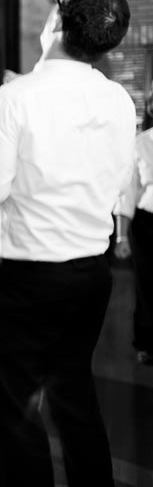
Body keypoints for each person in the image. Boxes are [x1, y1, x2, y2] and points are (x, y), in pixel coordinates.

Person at [0, 0, 134, 487]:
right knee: (75, 395)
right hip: (91, 275)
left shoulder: (14, 99)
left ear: (56, 21)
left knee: (13, 412)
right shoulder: (119, 101)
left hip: (28, 279)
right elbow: (119, 182)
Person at [114, 91, 153, 365]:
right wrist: (121, 236)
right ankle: (147, 343)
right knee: (148, 286)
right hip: (148, 226)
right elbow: (127, 193)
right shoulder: (141, 143)